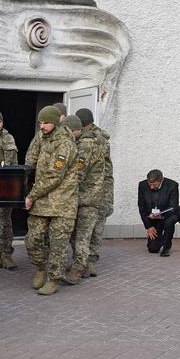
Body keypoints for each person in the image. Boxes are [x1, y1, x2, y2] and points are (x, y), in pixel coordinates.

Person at [24, 106, 78, 296]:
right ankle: (41, 267)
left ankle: (54, 278)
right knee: (33, 240)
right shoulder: (44, 138)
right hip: (42, 203)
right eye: (40, 122)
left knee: (58, 245)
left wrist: (31, 195)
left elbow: (54, 176)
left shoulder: (65, 144)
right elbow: (31, 161)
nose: (42, 126)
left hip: (62, 204)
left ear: (56, 122)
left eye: (45, 123)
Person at [65, 116, 107, 283]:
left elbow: (78, 173)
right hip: (79, 197)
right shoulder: (81, 141)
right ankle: (82, 264)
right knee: (75, 235)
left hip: (88, 199)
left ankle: (77, 270)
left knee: (82, 236)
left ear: (75, 130)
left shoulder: (86, 145)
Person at [76, 108, 114, 275]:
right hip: (103, 188)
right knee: (96, 227)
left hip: (93, 189)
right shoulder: (102, 138)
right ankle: (89, 261)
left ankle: (86, 262)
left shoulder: (90, 141)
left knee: (89, 227)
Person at [0, 109, 19, 269]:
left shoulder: (8, 138)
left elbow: (13, 164)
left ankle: (7, 254)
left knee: (4, 223)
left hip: (3, 188)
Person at [137, 169, 180, 256]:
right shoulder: (142, 185)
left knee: (170, 221)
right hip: (152, 218)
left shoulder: (172, 185)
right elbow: (141, 207)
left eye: (154, 185)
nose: (151, 187)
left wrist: (160, 216)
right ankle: (160, 238)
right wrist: (148, 226)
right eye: (150, 184)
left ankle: (166, 246)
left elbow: (173, 206)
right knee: (153, 249)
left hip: (168, 215)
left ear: (161, 180)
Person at [25, 102, 67, 168]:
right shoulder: (41, 133)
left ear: (64, 117)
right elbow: (31, 156)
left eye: (60, 115)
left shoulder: (68, 134)